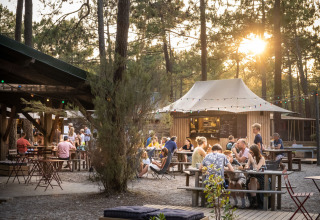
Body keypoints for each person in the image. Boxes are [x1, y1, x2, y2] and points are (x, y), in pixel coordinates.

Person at [245, 144, 267, 208]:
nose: (249, 153)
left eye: (251, 152)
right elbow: (247, 165)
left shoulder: (261, 158)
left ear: (255, 152)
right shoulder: (250, 158)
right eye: (249, 152)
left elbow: (257, 168)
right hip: (253, 177)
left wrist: (252, 160)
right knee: (250, 182)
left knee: (252, 180)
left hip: (261, 177)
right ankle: (254, 201)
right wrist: (246, 166)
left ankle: (254, 202)